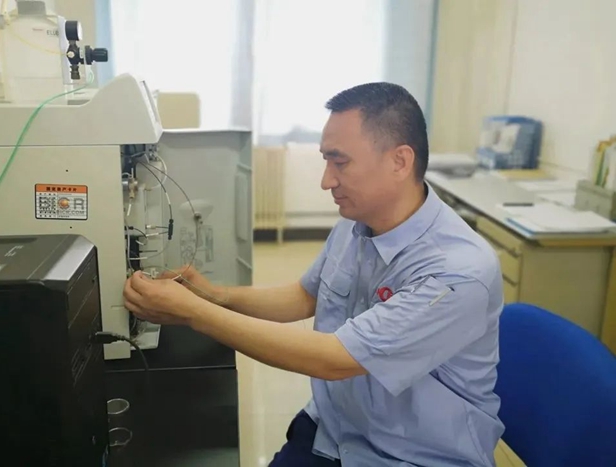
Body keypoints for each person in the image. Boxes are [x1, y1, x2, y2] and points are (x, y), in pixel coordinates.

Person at [123, 82, 505, 466]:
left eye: (340, 162)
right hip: (336, 430)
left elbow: (335, 360)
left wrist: (193, 312)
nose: (326, 181)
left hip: (410, 455)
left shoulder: (457, 273)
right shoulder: (358, 221)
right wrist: (215, 296)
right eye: (326, 161)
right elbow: (305, 296)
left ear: (400, 161)